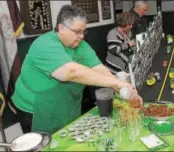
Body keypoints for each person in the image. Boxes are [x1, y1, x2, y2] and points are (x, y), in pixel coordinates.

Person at [12, 5, 143, 134]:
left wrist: (124, 90)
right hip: (37, 110)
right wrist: (116, 83)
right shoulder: (44, 44)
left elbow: (99, 69)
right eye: (77, 31)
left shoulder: (81, 45)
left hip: (66, 106)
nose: (82, 36)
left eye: (83, 31)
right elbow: (71, 72)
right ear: (61, 28)